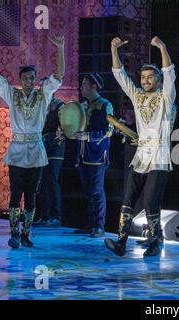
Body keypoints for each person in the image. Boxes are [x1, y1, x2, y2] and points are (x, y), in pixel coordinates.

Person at [0, 33, 64, 248]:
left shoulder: (43, 95)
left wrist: (60, 48)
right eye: (25, 78)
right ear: (20, 80)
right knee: (15, 192)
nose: (29, 81)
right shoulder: (12, 95)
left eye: (32, 78)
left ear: (36, 80)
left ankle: (26, 232)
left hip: (36, 149)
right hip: (18, 149)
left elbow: (59, 75)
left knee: (31, 195)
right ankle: (13, 233)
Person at [104, 35, 176, 257]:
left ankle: (156, 242)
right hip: (142, 153)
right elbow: (120, 76)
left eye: (150, 77)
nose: (145, 81)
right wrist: (113, 49)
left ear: (157, 80)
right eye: (143, 77)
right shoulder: (137, 96)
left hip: (160, 155)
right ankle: (121, 242)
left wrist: (162, 47)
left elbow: (170, 73)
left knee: (149, 200)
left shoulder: (166, 98)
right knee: (128, 199)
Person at [74, 72, 114, 238]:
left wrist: (89, 136)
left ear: (93, 86)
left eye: (84, 84)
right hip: (83, 153)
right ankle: (91, 224)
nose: (81, 88)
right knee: (87, 190)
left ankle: (99, 225)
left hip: (98, 154)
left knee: (97, 190)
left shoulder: (106, 105)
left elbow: (109, 130)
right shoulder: (82, 106)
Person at [34, 95, 66, 227]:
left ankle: (55, 216)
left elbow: (67, 124)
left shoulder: (59, 105)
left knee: (52, 178)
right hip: (43, 144)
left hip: (55, 145)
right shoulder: (40, 106)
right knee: (43, 180)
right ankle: (44, 215)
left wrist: (62, 133)